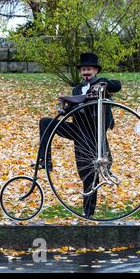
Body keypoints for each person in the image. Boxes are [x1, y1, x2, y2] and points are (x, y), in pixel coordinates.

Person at [35, 52, 122, 218]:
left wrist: (103, 84)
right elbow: (72, 108)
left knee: (90, 175)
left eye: (89, 69)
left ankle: (88, 213)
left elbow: (117, 85)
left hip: (93, 134)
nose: (86, 72)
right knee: (45, 123)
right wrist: (64, 107)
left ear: (96, 70)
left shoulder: (102, 83)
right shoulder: (77, 89)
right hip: (78, 130)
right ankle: (45, 161)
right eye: (83, 70)